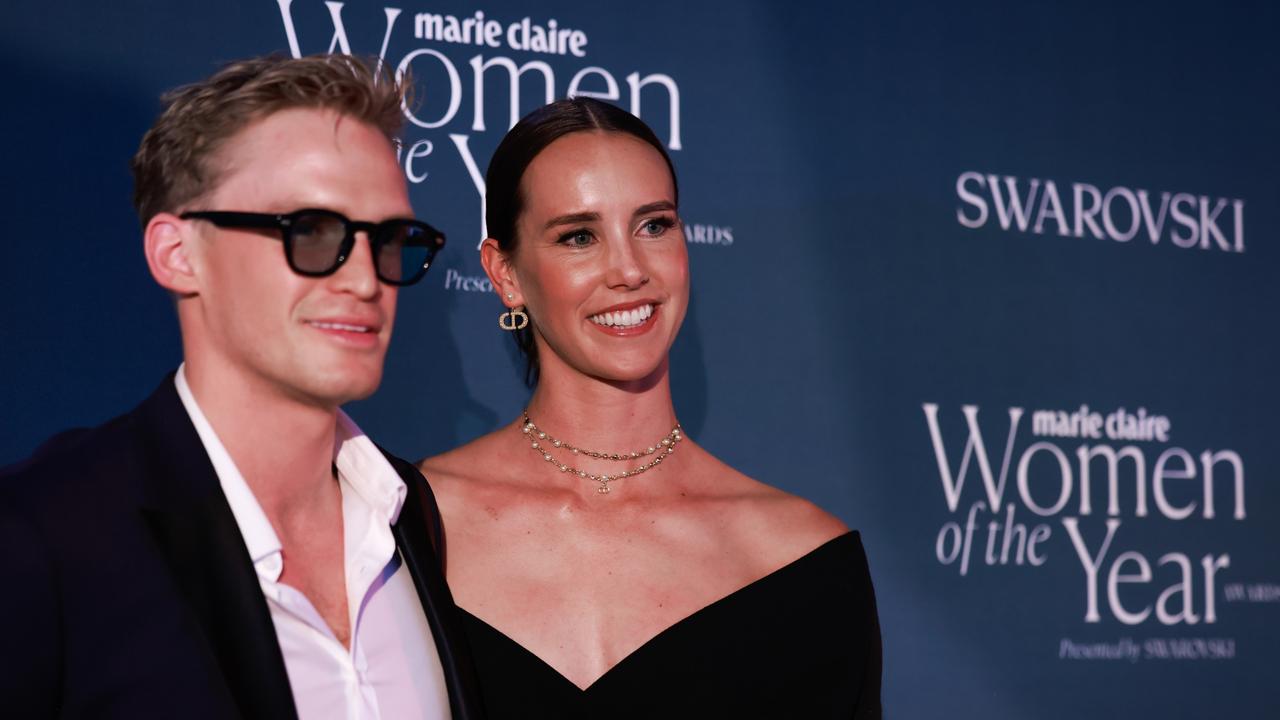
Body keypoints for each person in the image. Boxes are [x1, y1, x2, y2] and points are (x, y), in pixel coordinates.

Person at [0, 54, 482, 719]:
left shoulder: (412, 516)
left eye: (390, 238)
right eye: (312, 232)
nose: (366, 280)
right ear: (178, 254)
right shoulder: (44, 536)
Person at [419, 98, 881, 718]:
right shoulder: (407, 529)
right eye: (579, 236)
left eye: (654, 225)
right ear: (505, 273)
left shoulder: (804, 562)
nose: (630, 269)